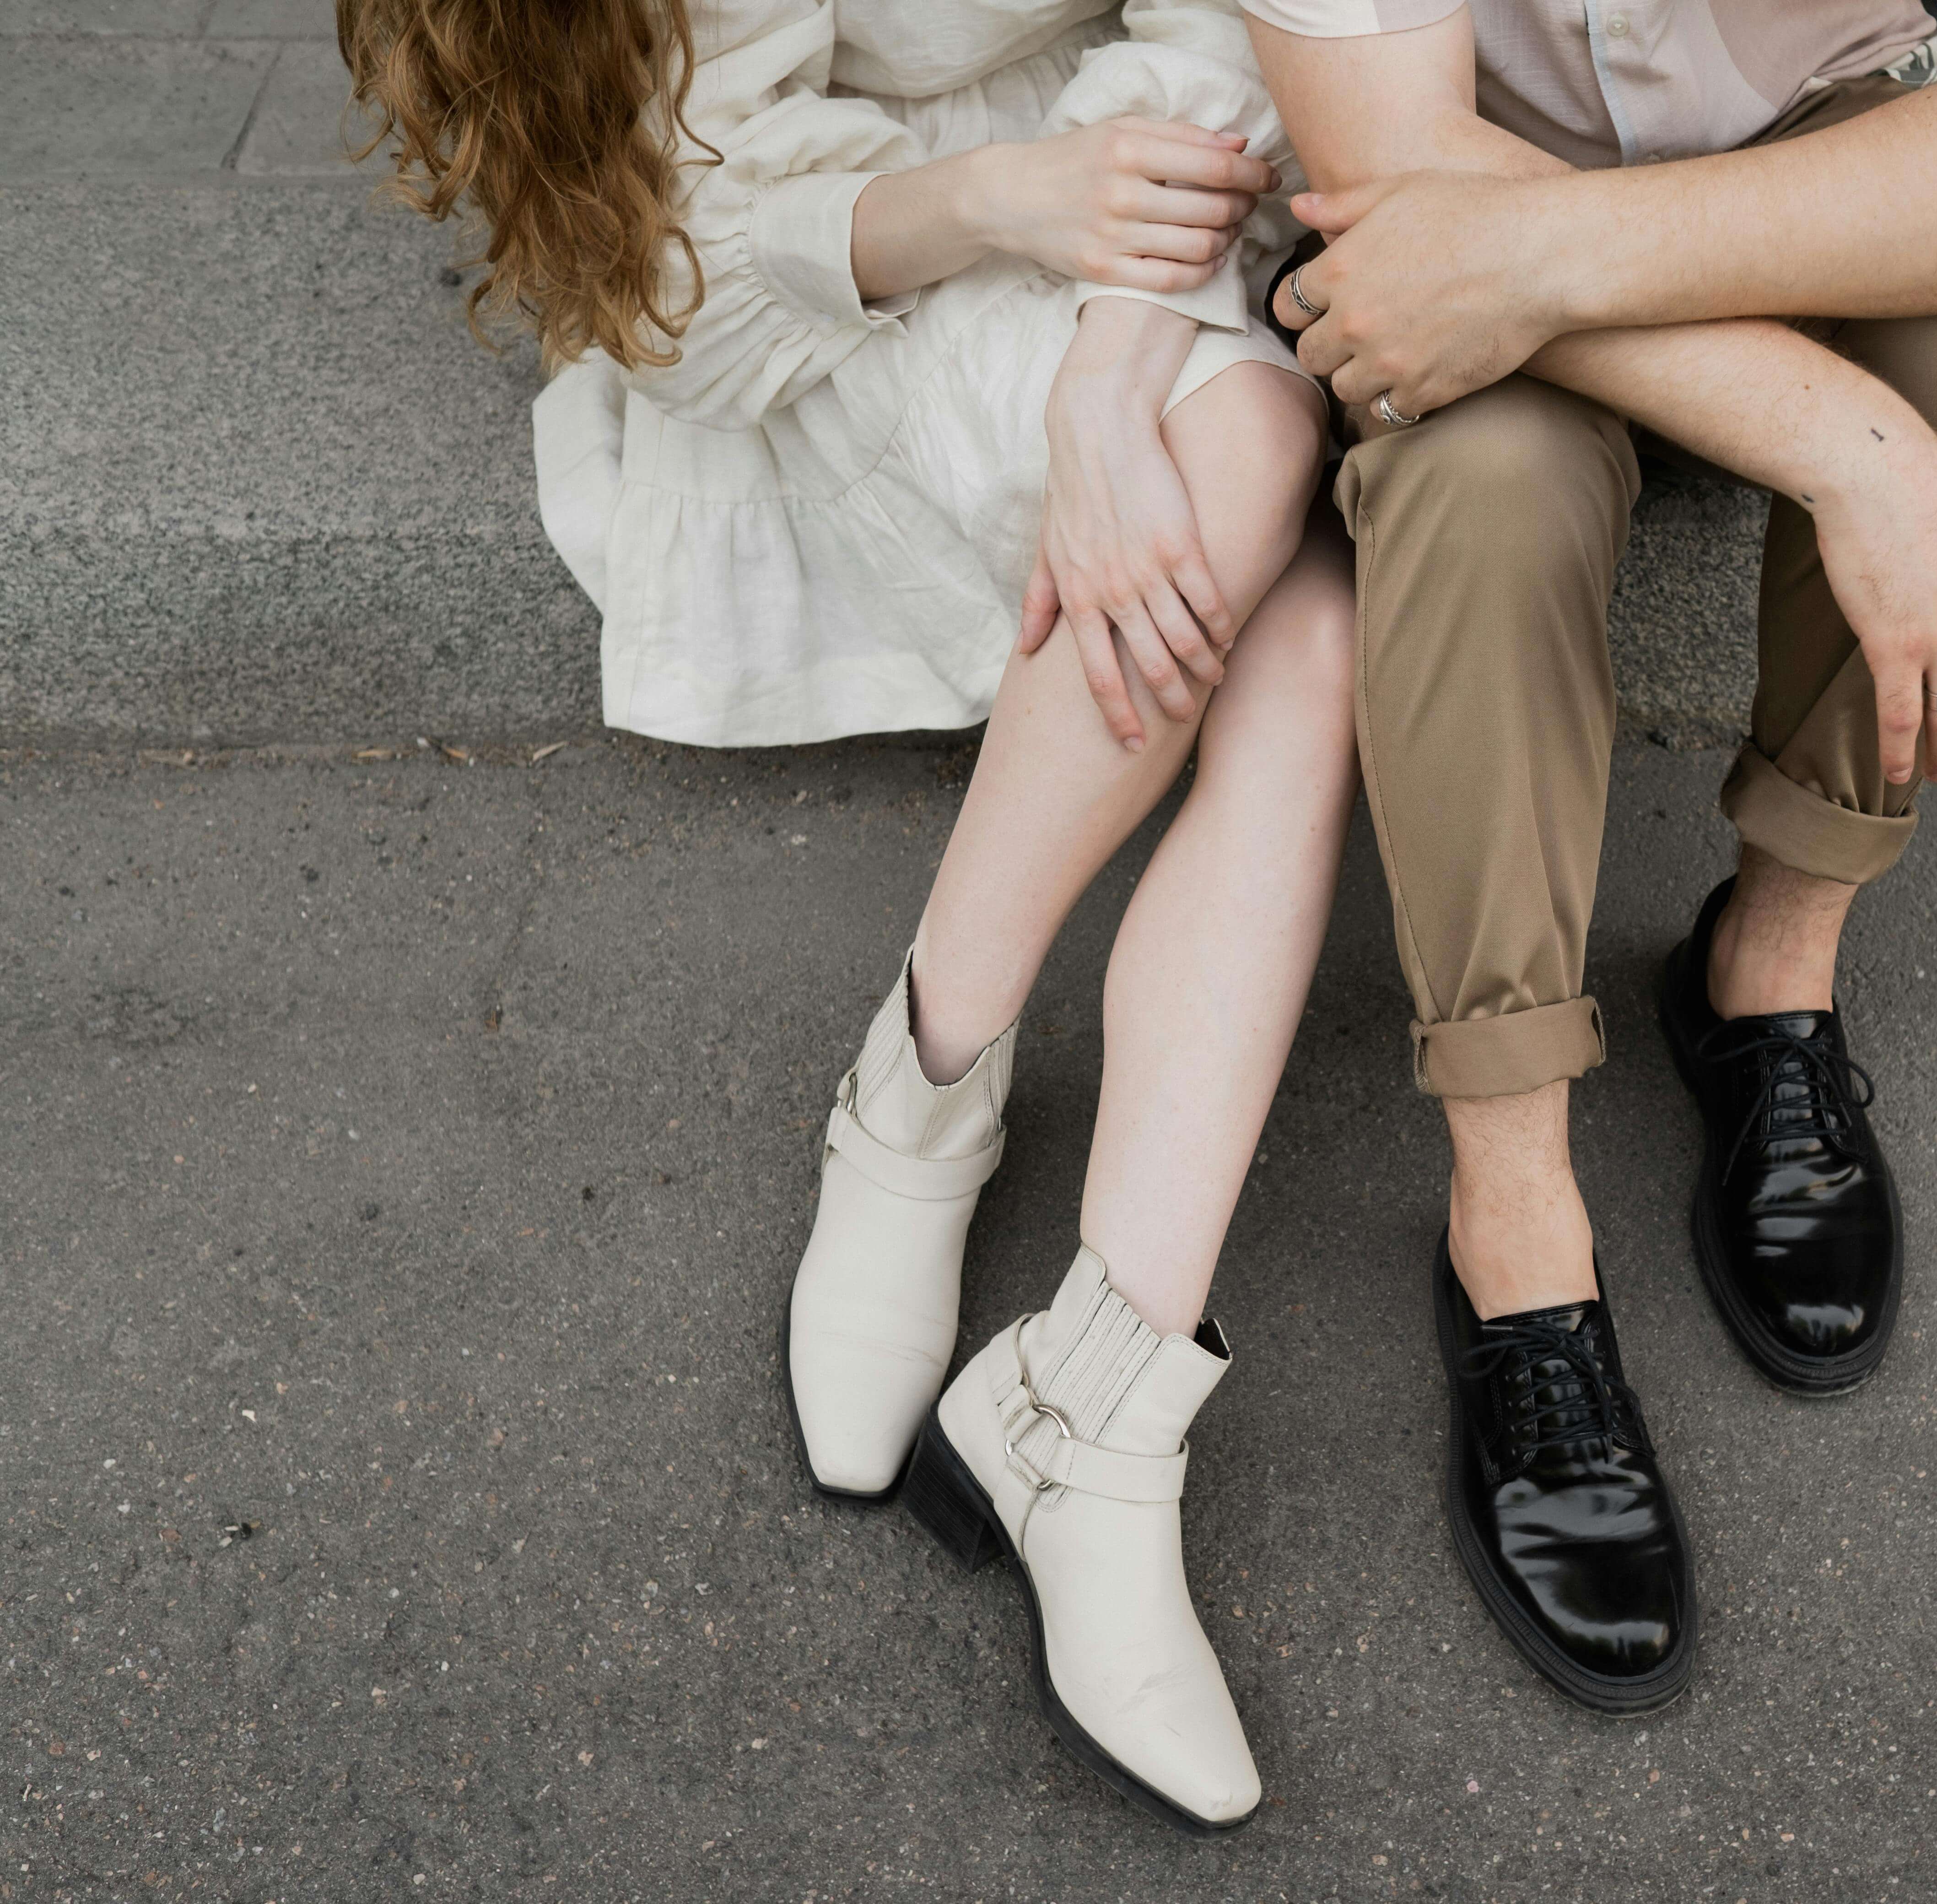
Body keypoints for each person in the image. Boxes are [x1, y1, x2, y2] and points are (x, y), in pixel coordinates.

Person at [341, 0, 1357, 1831]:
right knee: (1286, 568)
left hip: (1193, 154)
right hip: (864, 259)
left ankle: (1026, 1277)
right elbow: (678, 269)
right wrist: (1007, 201)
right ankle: (999, 1232)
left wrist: (1112, 345)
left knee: (1300, 587)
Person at [1239, 0, 1937, 1714]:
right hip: (1450, 161)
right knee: (1480, 479)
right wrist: (1861, 456)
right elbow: (1387, 174)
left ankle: (1767, 971)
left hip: (1809, 134)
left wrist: (1848, 415)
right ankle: (1513, 1223)